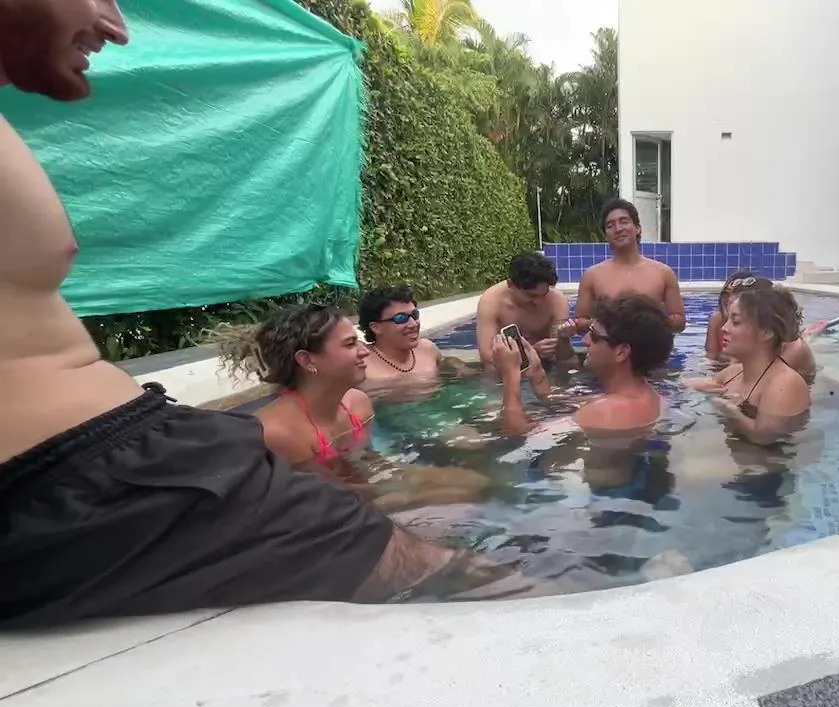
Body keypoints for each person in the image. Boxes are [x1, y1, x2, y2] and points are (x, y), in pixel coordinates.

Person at [0, 0, 512, 629]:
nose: (117, 24)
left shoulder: (360, 402)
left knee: (465, 501)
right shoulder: (282, 427)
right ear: (309, 360)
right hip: (74, 473)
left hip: (101, 460)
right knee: (439, 565)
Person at [213, 303, 492, 509]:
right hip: (325, 509)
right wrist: (416, 497)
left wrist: (413, 479)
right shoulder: (279, 432)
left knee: (475, 482)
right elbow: (329, 497)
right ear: (307, 360)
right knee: (460, 496)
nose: (363, 351)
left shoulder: (357, 403)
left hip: (353, 490)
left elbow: (371, 462)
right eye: (349, 345)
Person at [494, 294, 674, 436]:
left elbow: (519, 434)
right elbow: (556, 401)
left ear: (621, 352)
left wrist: (510, 376)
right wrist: (537, 374)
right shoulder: (654, 398)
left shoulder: (607, 411)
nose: (585, 340)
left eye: (594, 334)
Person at [686, 286, 811, 445]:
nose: (724, 328)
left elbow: (764, 437)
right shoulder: (732, 373)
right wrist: (690, 386)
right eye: (727, 320)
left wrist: (732, 414)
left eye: (736, 322)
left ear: (766, 332)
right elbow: (690, 389)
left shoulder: (785, 384)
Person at [560, 199, 686, 340]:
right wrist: (609, 325)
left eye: (624, 221)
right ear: (605, 235)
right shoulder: (592, 276)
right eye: (610, 225)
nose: (618, 229)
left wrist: (649, 322)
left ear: (637, 228)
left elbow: (680, 321)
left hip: (650, 348)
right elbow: (579, 322)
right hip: (609, 348)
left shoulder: (664, 273)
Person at [706, 271, 816, 380]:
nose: (724, 328)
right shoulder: (747, 348)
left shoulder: (792, 351)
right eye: (728, 305)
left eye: (736, 320)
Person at [476, 251, 573, 368]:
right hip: (507, 367)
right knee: (491, 369)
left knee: (570, 364)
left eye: (544, 294)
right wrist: (532, 352)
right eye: (532, 295)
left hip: (545, 364)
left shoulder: (556, 301)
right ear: (511, 284)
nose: (538, 301)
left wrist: (564, 339)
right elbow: (487, 356)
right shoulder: (492, 302)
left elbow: (564, 357)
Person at [357, 285, 450, 382]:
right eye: (400, 318)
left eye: (414, 315)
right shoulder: (362, 363)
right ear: (375, 327)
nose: (413, 324)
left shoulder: (427, 350)